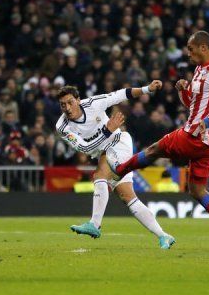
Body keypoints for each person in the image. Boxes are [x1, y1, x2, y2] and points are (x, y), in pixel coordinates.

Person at [108, 31, 209, 251]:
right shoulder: (199, 70)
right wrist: (184, 92)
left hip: (196, 136)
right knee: (197, 190)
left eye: (191, 49)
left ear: (203, 48)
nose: (188, 54)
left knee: (155, 149)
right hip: (207, 142)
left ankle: (119, 170)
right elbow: (193, 106)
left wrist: (208, 121)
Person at [56, 84, 175, 249]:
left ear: (78, 100)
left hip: (118, 142)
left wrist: (147, 89)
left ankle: (95, 224)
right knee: (128, 197)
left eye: (70, 102)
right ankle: (164, 236)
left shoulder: (93, 103)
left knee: (99, 176)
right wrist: (106, 130)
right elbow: (85, 148)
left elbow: (120, 94)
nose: (67, 108)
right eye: (63, 105)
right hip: (104, 149)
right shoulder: (62, 127)